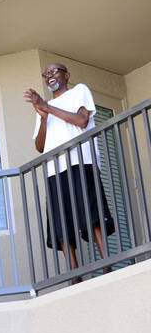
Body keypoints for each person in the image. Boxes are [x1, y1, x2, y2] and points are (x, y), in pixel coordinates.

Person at [24, 63, 114, 273]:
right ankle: (74, 273)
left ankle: (106, 265)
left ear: (66, 75)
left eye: (54, 71)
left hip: (81, 161)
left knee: (91, 212)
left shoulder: (79, 91)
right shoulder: (43, 109)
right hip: (54, 168)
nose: (49, 76)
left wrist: (47, 107)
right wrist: (44, 118)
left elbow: (82, 120)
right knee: (61, 221)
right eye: (46, 74)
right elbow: (39, 146)